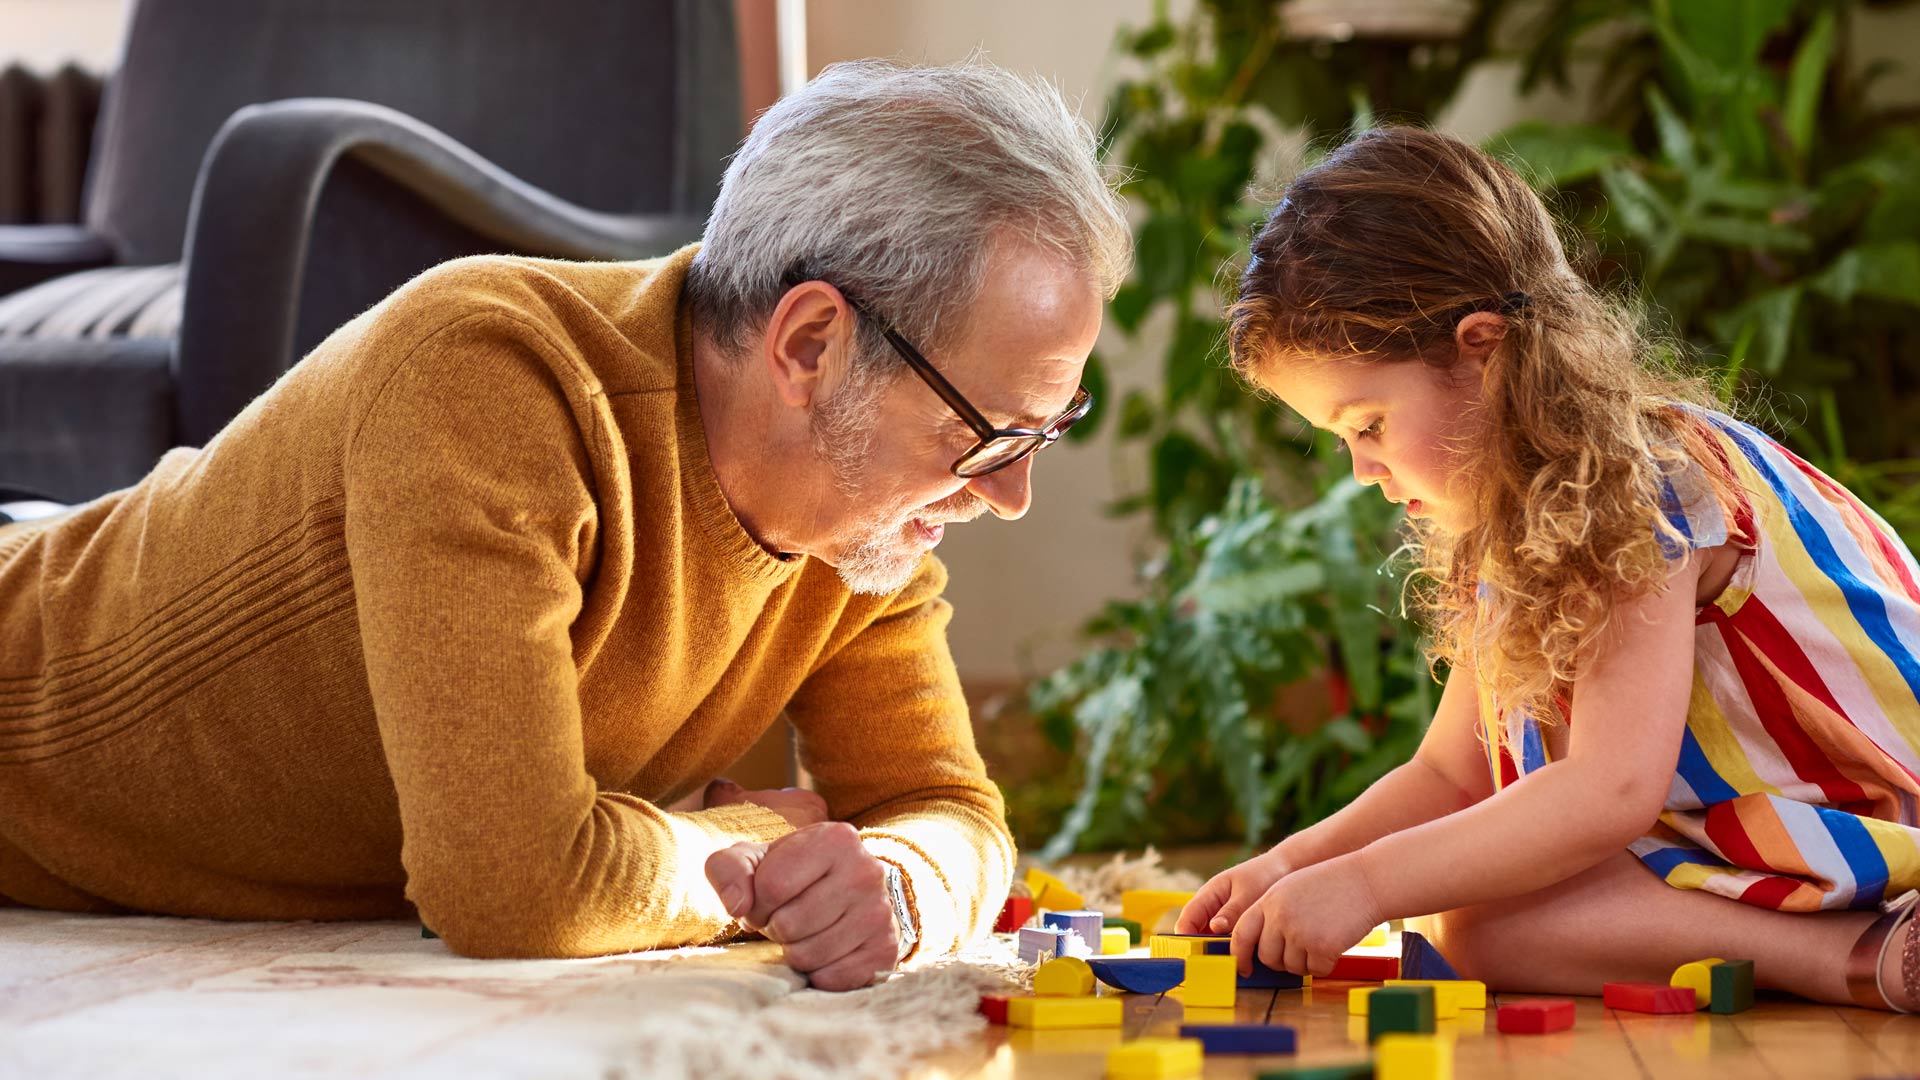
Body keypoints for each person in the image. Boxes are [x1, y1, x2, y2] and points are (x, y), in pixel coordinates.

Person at [0, 59, 1130, 991]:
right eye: (988, 433)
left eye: (1045, 432)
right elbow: (512, 886)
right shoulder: (490, 380)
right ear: (808, 346)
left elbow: (949, 811)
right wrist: (753, 847)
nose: (1008, 492)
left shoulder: (862, 531)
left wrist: (897, 881)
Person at [1178, 125, 1920, 1012]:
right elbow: (1452, 775)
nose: (1363, 471)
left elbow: (1608, 791)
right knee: (1483, 927)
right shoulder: (1516, 514)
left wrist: (1369, 887)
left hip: (1873, 816)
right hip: (1763, 837)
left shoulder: (1643, 484)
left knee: (1480, 914)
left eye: (1368, 424)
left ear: (1482, 352)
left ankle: (1864, 954)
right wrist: (1294, 864)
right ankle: (1850, 951)